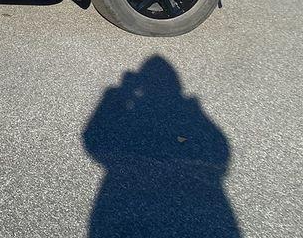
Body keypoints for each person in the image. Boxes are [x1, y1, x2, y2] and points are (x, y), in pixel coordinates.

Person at [83, 55, 240, 237]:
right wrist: (191, 112)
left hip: (125, 207)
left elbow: (94, 140)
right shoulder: (187, 125)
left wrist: (117, 94)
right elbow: (217, 150)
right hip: (192, 210)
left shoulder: (131, 128)